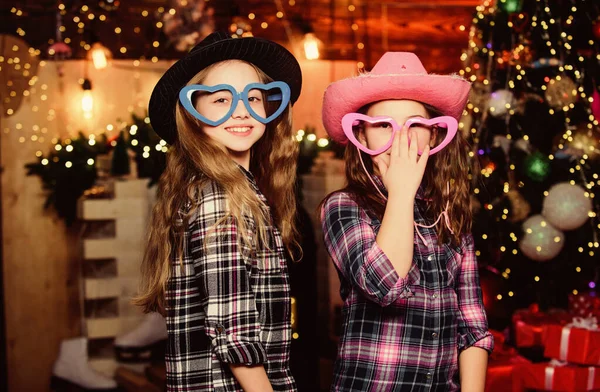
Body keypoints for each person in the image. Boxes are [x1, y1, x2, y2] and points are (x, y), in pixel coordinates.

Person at [136, 31, 302, 392]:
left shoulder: (239, 190)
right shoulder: (219, 198)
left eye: (253, 97)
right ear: (193, 114)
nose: (241, 110)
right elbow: (233, 329)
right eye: (221, 99)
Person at [320, 52, 493, 391]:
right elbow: (384, 286)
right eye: (384, 124)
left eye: (415, 124)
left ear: (434, 137)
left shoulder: (450, 215)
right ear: (362, 136)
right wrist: (401, 193)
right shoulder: (343, 207)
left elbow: (473, 326)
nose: (401, 139)